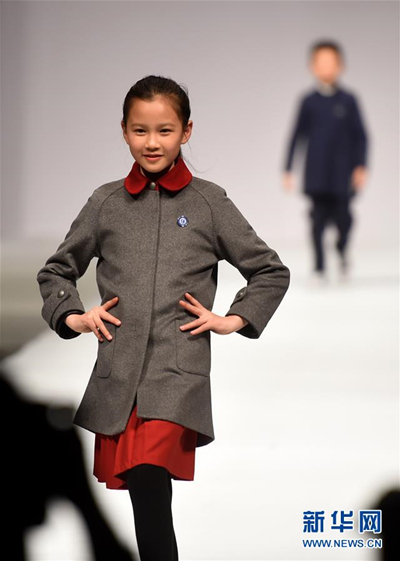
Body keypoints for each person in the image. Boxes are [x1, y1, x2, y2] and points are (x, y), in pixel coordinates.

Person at [37, 75, 290, 560]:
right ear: (124, 131)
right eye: (140, 130)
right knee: (145, 495)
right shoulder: (106, 203)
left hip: (177, 375)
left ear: (186, 131)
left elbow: (269, 270)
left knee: (150, 483)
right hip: (119, 380)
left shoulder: (208, 203)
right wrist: (73, 317)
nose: (152, 142)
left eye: (165, 130)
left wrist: (234, 319)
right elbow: (56, 271)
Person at [282, 40, 369, 283]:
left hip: (342, 173)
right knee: (317, 222)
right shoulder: (308, 101)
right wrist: (288, 169)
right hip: (316, 173)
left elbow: (361, 136)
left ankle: (341, 250)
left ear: (341, 66)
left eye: (331, 62)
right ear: (312, 66)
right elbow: (296, 135)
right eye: (321, 62)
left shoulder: (349, 100)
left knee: (345, 219)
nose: (326, 67)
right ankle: (319, 267)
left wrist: (361, 166)